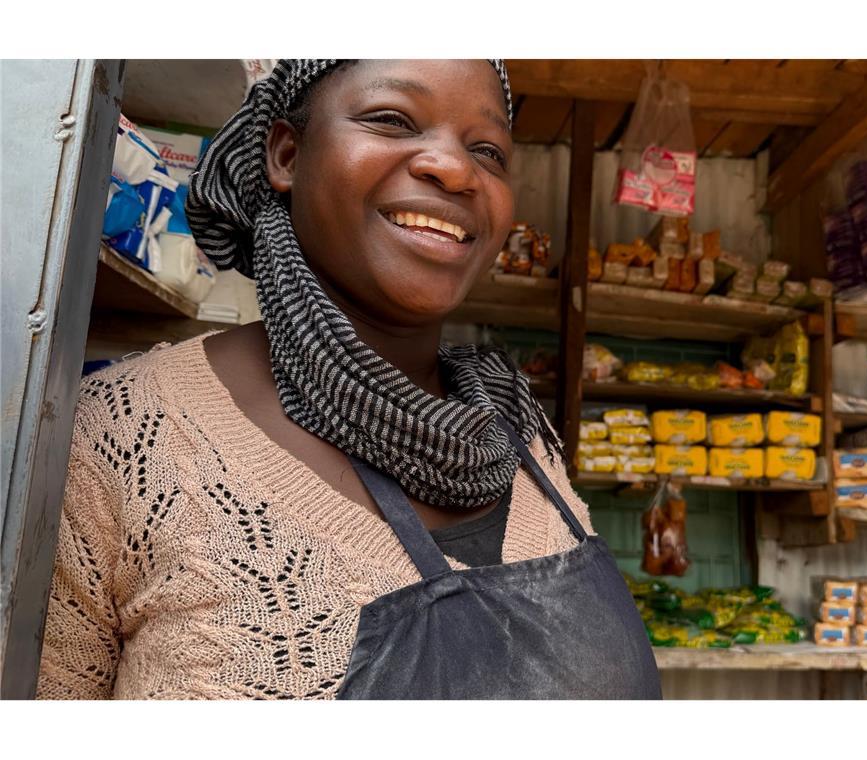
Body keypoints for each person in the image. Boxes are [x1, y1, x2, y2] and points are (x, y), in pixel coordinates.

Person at [36, 59, 661, 700]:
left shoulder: (519, 436)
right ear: (286, 154)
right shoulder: (118, 439)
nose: (454, 168)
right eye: (391, 119)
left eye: (488, 150)